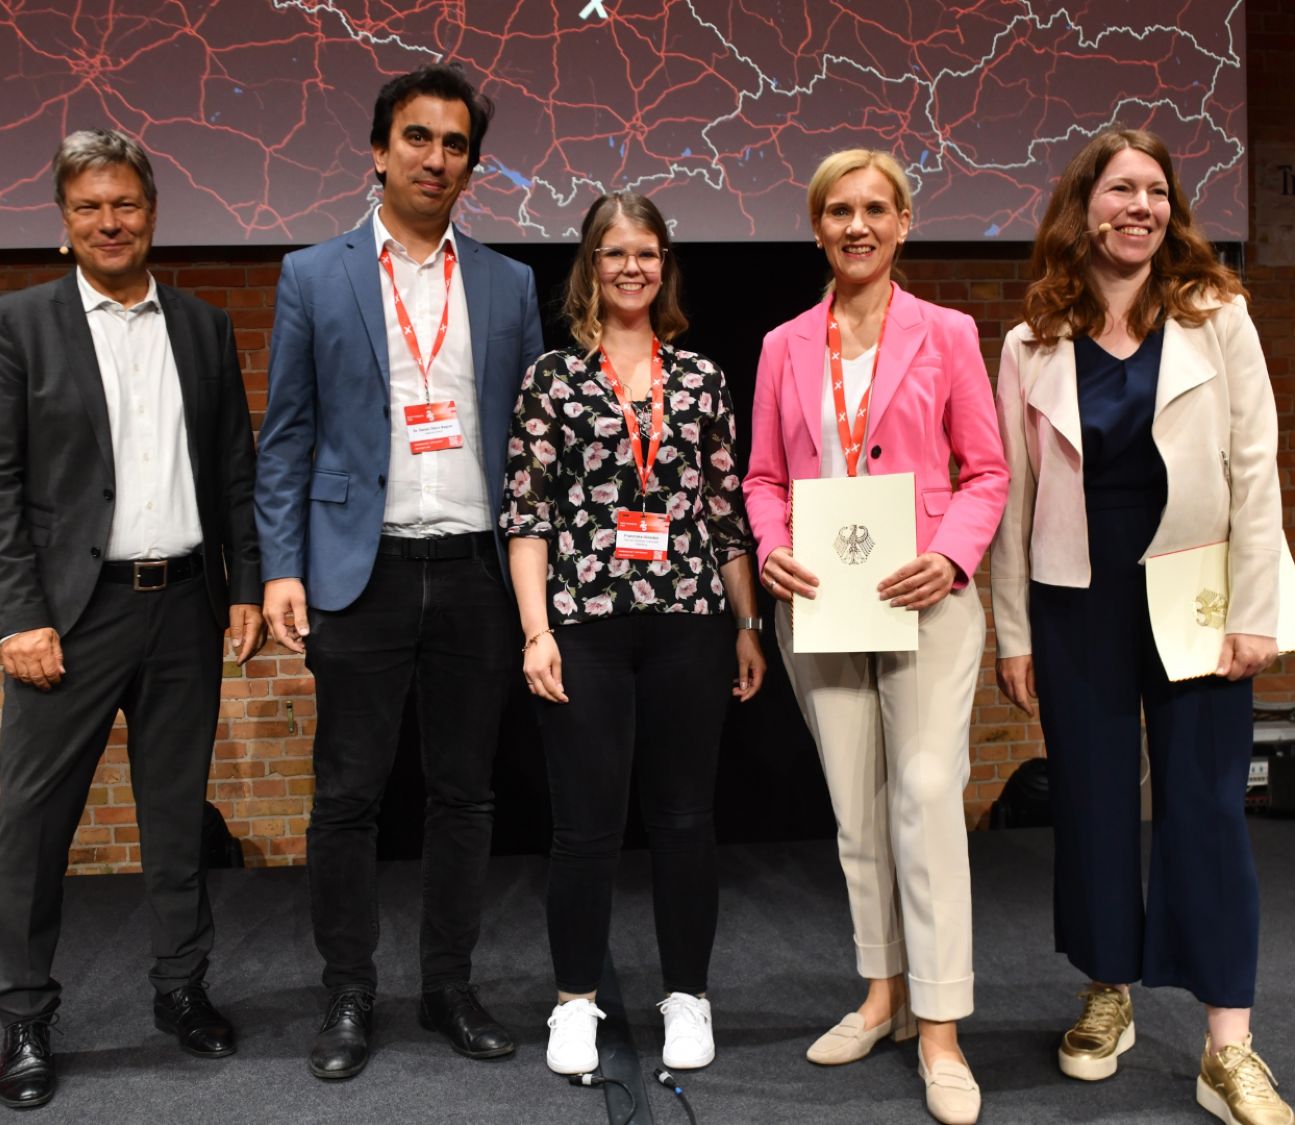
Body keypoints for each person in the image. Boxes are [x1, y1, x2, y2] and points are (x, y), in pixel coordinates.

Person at [991, 128, 1295, 1125]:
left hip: (1195, 586)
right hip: (1074, 594)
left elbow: (1255, 470)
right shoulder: (1030, 338)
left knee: (1206, 808)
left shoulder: (1218, 316)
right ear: (1082, 207)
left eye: (1155, 192)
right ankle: (1106, 991)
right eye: (1119, 189)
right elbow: (1010, 497)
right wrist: (1012, 633)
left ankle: (1227, 1045)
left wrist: (1254, 610)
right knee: (1087, 802)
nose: (1139, 207)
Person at [0, 128, 266, 1110]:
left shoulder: (202, 327)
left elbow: (233, 473)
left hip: (181, 604)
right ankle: (23, 1020)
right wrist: (17, 617)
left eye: (125, 204)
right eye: (89, 206)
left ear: (150, 214)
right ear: (63, 222)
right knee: (35, 826)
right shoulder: (16, 325)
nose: (109, 221)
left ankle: (181, 992)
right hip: (66, 622)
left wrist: (245, 588)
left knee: (176, 819)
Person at [254, 63, 544, 1081]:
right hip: (358, 570)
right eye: (416, 138)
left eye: (454, 143)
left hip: (473, 570)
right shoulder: (314, 275)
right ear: (378, 151)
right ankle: (346, 992)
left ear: (471, 163)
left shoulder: (508, 285)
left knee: (464, 795)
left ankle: (449, 986)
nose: (435, 158)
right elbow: (284, 435)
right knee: (347, 796)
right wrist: (279, 566)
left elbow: (532, 452)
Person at [743, 149, 1008, 1125]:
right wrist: (769, 547)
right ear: (816, 228)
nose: (856, 226)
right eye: (837, 211)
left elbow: (985, 471)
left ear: (902, 223)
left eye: (874, 209)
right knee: (856, 814)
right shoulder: (780, 346)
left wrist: (947, 559)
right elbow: (762, 479)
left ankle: (940, 1030)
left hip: (923, 597)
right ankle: (880, 995)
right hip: (820, 599)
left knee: (927, 796)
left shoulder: (945, 333)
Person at [502, 191, 766, 1076]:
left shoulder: (702, 378)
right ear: (589, 264)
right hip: (585, 625)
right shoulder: (553, 377)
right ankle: (574, 1000)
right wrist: (536, 631)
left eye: (646, 253)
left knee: (687, 818)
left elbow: (726, 513)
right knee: (585, 827)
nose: (631, 268)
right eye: (614, 252)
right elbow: (528, 512)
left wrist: (747, 622)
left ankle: (687, 996)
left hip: (690, 623)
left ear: (665, 265)